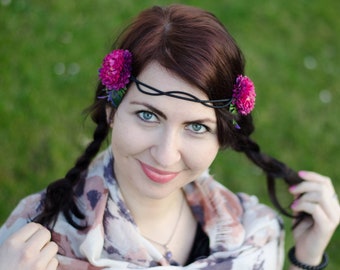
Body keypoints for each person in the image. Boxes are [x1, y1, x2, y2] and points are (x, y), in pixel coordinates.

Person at [0, 4, 338, 270]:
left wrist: (306, 257)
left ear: (221, 136)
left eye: (196, 127)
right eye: (148, 115)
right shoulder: (33, 244)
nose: (165, 154)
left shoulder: (253, 236)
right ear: (112, 111)